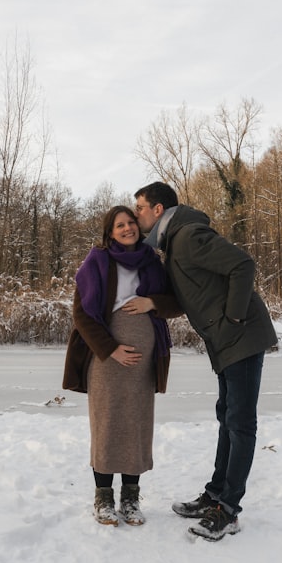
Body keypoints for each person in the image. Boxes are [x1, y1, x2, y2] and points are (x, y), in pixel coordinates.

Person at [133, 182, 277, 541]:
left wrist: (233, 318)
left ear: (158, 209)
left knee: (240, 422)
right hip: (227, 341)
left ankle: (228, 510)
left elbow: (243, 265)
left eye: (140, 207)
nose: (136, 214)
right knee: (227, 416)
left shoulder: (188, 236)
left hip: (240, 337)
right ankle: (215, 494)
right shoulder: (174, 244)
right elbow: (191, 296)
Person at [63, 205, 182, 526]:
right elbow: (82, 315)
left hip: (144, 361)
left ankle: (130, 498)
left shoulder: (152, 261)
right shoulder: (97, 262)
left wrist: (152, 302)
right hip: (106, 358)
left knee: (137, 423)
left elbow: (177, 302)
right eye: (120, 225)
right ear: (109, 231)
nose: (127, 228)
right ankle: (103, 499)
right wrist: (111, 349)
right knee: (107, 423)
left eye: (131, 222)